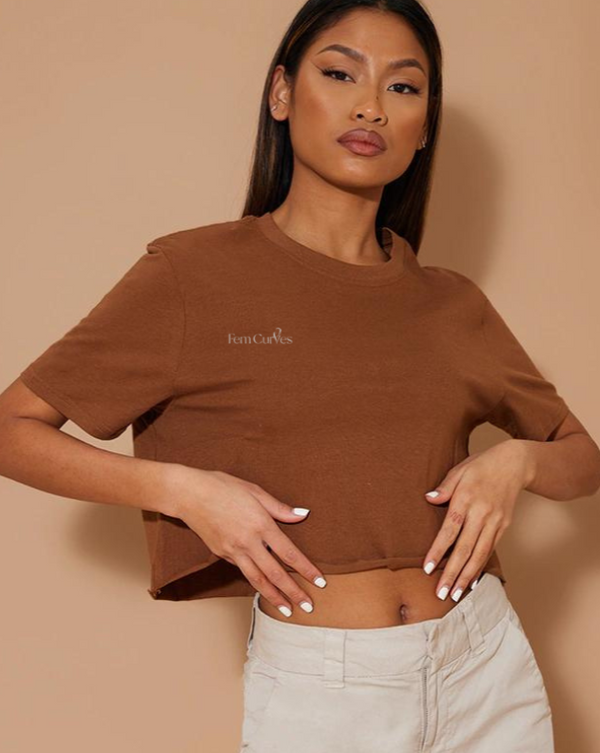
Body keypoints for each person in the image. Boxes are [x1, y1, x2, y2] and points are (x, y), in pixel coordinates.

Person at [1, 1, 599, 752]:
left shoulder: (452, 304)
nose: (370, 107)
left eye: (403, 87)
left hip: (486, 670)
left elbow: (582, 459)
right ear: (282, 93)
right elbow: (11, 430)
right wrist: (185, 491)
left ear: (423, 127)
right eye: (340, 73)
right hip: (324, 688)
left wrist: (518, 463)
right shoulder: (193, 276)